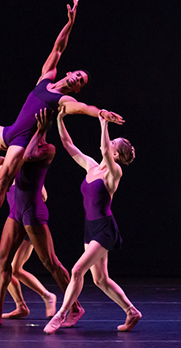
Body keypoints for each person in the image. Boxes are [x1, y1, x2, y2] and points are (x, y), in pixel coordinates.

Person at [0, 0, 124, 250]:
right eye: (77, 75)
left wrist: (100, 112)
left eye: (80, 82)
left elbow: (85, 109)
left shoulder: (64, 101)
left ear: (77, 89)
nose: (77, 80)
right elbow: (58, 47)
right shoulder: (45, 78)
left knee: (3, 182)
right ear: (69, 73)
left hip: (21, 142)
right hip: (10, 132)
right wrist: (69, 23)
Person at [0, 109, 84, 328]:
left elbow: (28, 156)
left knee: (50, 262)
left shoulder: (48, 149)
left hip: (33, 211)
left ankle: (75, 306)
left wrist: (40, 130)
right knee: (2, 260)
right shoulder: (17, 147)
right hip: (16, 212)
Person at [43, 106, 141, 334]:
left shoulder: (114, 172)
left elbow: (105, 150)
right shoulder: (92, 166)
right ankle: (132, 311)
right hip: (91, 228)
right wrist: (60, 118)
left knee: (77, 271)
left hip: (104, 230)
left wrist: (103, 120)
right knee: (100, 280)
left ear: (115, 154)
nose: (107, 145)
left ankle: (60, 315)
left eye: (112, 144)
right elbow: (69, 146)